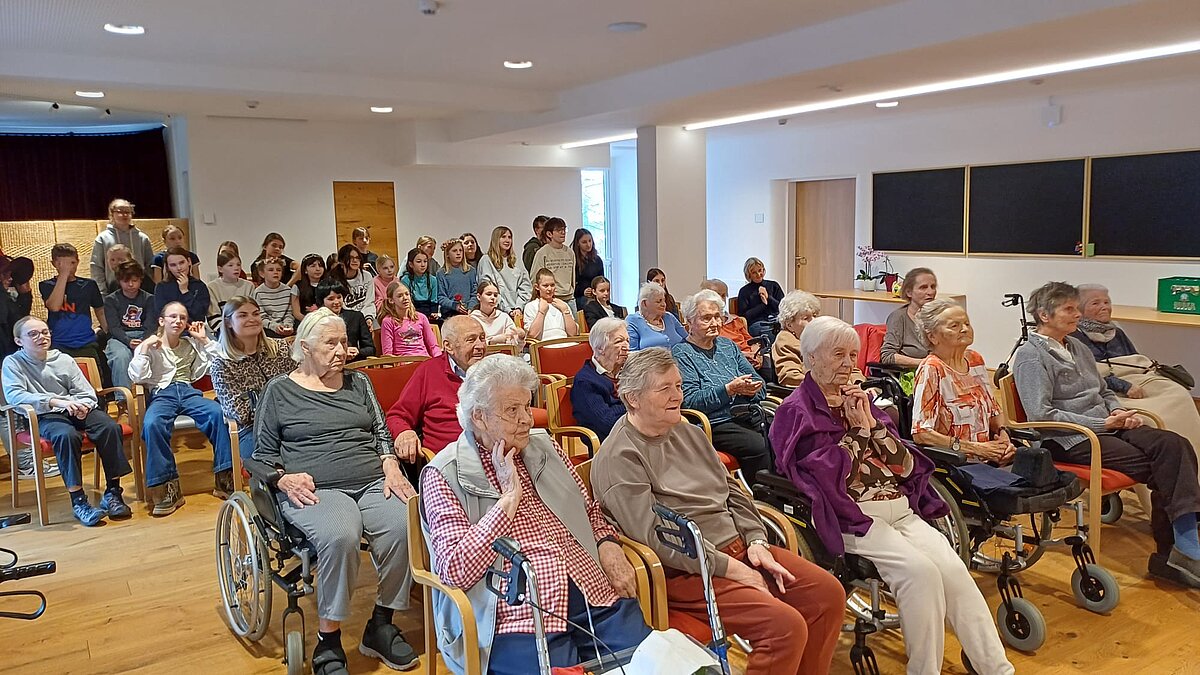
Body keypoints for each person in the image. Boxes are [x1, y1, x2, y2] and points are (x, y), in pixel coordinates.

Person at [770, 316, 1015, 675]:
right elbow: (831, 478)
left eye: (852, 355)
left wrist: (872, 426)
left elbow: (905, 466)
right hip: (853, 516)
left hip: (898, 508)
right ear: (810, 358)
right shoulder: (795, 412)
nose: (848, 364)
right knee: (920, 574)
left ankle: (996, 668)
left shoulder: (862, 403)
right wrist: (858, 434)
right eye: (838, 354)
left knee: (953, 570)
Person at [594, 347, 844, 674]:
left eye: (679, 385)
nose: (677, 395)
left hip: (738, 550)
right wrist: (732, 568)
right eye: (664, 388)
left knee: (828, 595)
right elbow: (658, 539)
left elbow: (733, 492)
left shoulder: (687, 430)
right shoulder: (620, 457)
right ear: (633, 398)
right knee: (784, 627)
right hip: (689, 569)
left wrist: (756, 541)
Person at [420, 355, 650, 675]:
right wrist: (507, 502)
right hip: (517, 614)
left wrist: (607, 544)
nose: (527, 419)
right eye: (512, 410)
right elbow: (454, 571)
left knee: (649, 663)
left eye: (527, 407)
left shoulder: (545, 447)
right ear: (479, 417)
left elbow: (589, 511)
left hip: (591, 590)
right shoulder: (444, 474)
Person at [253, 308, 418, 673]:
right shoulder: (279, 390)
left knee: (405, 524)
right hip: (317, 488)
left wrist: (390, 462)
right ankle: (328, 641)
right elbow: (261, 455)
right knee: (340, 534)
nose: (342, 350)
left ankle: (381, 623)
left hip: (371, 480)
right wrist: (283, 479)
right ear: (305, 347)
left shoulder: (359, 383)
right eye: (331, 343)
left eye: (344, 342)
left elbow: (380, 431)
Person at [1012, 282, 1200, 588]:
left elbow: (1103, 391)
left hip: (1105, 426)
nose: (1077, 314)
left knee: (1174, 445)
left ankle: (1180, 550)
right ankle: (1179, 551)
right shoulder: (1031, 356)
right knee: (1166, 466)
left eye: (1077, 308)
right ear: (1044, 315)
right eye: (1069, 309)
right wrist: (1104, 424)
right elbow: (1041, 416)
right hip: (1068, 439)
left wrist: (1118, 412)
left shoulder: (1077, 347)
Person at [2, 316, 133, 526]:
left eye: (44, 332)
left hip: (74, 407)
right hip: (43, 414)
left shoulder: (63, 359)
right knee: (66, 435)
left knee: (109, 427)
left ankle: (113, 492)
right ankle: (79, 501)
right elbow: (15, 396)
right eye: (33, 334)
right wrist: (55, 401)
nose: (41, 337)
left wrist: (83, 406)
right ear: (19, 341)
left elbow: (86, 392)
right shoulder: (13, 363)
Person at [128, 301, 233, 514]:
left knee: (218, 414)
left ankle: (225, 477)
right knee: (152, 423)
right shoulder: (149, 345)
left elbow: (223, 362)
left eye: (182, 318)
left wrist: (204, 339)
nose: (178, 321)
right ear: (161, 321)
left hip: (187, 391)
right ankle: (167, 488)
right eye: (173, 317)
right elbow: (137, 377)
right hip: (162, 393)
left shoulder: (191, 344)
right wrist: (145, 348)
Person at [1073, 283, 1200, 455]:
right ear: (1079, 309)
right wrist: (1123, 385)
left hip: (1136, 378)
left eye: (1107, 302)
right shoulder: (1073, 336)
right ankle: (1171, 454)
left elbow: (1136, 361)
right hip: (1107, 388)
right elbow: (1084, 375)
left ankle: (1194, 457)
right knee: (1159, 413)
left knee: (1178, 393)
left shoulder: (1116, 332)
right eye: (1095, 303)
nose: (1104, 307)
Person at [672, 290, 769, 480]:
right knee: (758, 444)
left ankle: (785, 491)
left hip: (747, 413)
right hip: (715, 422)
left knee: (784, 434)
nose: (715, 323)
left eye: (717, 317)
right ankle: (761, 492)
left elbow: (761, 385)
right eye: (706, 318)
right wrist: (729, 390)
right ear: (689, 322)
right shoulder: (681, 353)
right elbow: (690, 401)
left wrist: (750, 390)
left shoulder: (727, 345)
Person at [911, 299, 1016, 464]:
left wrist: (1004, 437)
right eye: (955, 326)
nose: (965, 329)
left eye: (967, 323)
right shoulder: (932, 369)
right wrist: (976, 449)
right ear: (932, 336)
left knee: (1039, 463)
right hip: (958, 462)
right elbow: (921, 433)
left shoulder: (975, 359)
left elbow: (994, 410)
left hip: (989, 457)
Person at [386, 315, 486, 459]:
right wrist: (404, 433)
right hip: (449, 460)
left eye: (482, 338)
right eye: (471, 340)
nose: (480, 346)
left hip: (495, 455)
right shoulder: (428, 371)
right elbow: (398, 415)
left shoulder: (494, 370)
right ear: (448, 346)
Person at [209, 296, 296, 460]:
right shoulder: (222, 364)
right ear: (228, 322)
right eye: (243, 315)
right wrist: (281, 404)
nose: (252, 319)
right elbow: (241, 414)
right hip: (253, 429)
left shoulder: (281, 348)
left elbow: (297, 387)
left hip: (291, 420)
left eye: (256, 314)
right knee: (272, 463)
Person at [40, 243, 107, 365]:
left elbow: (100, 310)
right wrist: (63, 274)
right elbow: (54, 307)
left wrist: (108, 333)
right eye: (62, 264)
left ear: (77, 262)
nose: (68, 267)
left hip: (85, 342)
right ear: (54, 264)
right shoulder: (47, 285)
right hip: (58, 343)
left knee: (92, 373)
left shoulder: (89, 285)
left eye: (71, 263)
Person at [570, 318, 629, 441]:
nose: (626, 347)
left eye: (627, 341)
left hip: (632, 434)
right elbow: (608, 422)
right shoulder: (585, 381)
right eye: (619, 341)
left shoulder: (629, 372)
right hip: (609, 443)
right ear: (600, 348)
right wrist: (631, 405)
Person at [103, 260, 153, 397]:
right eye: (126, 281)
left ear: (140, 280)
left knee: (156, 353)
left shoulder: (149, 299)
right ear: (119, 281)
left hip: (144, 335)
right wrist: (128, 341)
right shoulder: (111, 300)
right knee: (121, 356)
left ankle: (155, 395)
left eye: (134, 280)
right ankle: (123, 400)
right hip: (119, 337)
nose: (131, 284)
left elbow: (151, 325)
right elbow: (113, 327)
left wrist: (144, 341)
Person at [89, 198, 155, 292]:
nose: (124, 215)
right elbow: (97, 267)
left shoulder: (142, 238)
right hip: (113, 290)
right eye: (120, 211)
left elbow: (149, 265)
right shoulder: (102, 238)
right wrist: (102, 291)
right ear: (112, 214)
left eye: (127, 212)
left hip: (141, 290)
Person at [881, 267, 938, 369]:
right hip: (911, 373)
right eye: (923, 287)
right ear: (909, 292)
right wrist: (924, 363)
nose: (930, 292)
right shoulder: (898, 317)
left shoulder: (940, 316)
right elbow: (887, 356)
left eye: (933, 287)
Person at [701, 278, 761, 368]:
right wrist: (744, 356)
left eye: (723, 295)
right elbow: (715, 352)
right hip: (731, 363)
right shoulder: (705, 325)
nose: (721, 299)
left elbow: (751, 341)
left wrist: (757, 354)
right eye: (716, 295)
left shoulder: (736, 320)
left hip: (751, 359)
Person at [476, 226, 531, 319]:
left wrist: (519, 307)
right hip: (497, 311)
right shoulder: (486, 260)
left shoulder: (516, 260)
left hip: (518, 311)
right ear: (496, 239)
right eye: (503, 237)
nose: (507, 240)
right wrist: (507, 310)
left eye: (509, 237)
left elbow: (525, 286)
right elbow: (487, 288)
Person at [314, 278, 374, 362]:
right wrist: (342, 351)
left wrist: (357, 351)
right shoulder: (316, 320)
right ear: (322, 301)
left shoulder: (356, 316)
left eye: (339, 297)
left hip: (353, 364)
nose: (336, 302)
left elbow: (370, 349)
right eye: (331, 299)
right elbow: (315, 350)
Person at [772, 290, 823, 387]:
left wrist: (854, 383)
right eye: (806, 318)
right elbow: (790, 377)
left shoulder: (820, 336)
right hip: (813, 391)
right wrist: (825, 384)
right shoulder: (785, 340)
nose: (813, 321)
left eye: (815, 316)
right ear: (789, 325)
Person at [150, 247, 211, 328]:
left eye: (182, 263)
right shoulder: (162, 287)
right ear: (168, 267)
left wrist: (185, 291)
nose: (179, 268)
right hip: (170, 329)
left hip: (193, 329)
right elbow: (161, 314)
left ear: (189, 262)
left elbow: (200, 315)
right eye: (173, 265)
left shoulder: (200, 286)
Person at [378, 281, 441, 357]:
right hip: (403, 361)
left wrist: (438, 358)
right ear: (391, 300)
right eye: (400, 296)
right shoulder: (388, 322)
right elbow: (388, 354)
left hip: (423, 359)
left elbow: (433, 346)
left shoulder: (421, 317)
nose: (405, 298)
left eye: (407, 294)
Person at [530, 217, 576, 309]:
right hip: (551, 298)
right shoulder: (542, 253)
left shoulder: (569, 252)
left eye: (564, 229)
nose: (563, 232)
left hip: (569, 298)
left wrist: (571, 290)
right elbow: (535, 277)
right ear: (549, 234)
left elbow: (573, 277)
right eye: (558, 230)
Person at [627, 282, 686, 351]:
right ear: (644, 303)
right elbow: (632, 353)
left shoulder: (669, 317)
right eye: (659, 301)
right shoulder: (633, 320)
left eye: (664, 301)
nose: (663, 304)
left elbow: (686, 338)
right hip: (651, 358)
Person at [523, 269, 578, 341]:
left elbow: (573, 334)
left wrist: (565, 311)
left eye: (552, 285)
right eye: (545, 286)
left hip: (565, 343)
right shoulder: (531, 306)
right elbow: (532, 335)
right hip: (544, 344)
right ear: (537, 287)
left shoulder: (563, 305)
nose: (549, 289)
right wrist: (541, 312)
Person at [736, 257, 784, 338]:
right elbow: (744, 316)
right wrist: (763, 305)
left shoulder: (774, 285)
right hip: (757, 323)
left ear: (763, 270)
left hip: (776, 321)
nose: (758, 274)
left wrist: (768, 297)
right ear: (749, 275)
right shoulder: (744, 291)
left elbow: (782, 307)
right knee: (774, 335)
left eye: (760, 270)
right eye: (754, 273)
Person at [333, 244, 377, 330]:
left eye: (357, 258)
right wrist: (357, 320)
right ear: (341, 261)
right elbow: (339, 306)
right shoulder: (334, 280)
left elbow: (369, 302)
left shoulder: (367, 276)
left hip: (364, 317)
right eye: (351, 258)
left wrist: (368, 318)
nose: (355, 260)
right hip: (344, 321)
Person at [469, 279, 524, 346]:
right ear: (479, 297)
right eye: (489, 294)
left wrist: (520, 338)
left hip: (504, 352)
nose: (493, 298)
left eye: (495, 295)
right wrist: (491, 342)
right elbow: (471, 344)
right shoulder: (472, 319)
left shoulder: (504, 317)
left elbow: (516, 345)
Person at [251, 257, 296, 338]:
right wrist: (274, 326)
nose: (275, 272)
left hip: (285, 325)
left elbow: (289, 313)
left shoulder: (288, 290)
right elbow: (261, 316)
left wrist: (288, 325)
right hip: (268, 327)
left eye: (278, 270)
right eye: (271, 270)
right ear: (262, 274)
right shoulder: (258, 292)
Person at [206, 251, 254, 324]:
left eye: (238, 265)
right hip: (223, 327)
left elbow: (253, 312)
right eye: (230, 265)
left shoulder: (248, 286)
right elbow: (213, 317)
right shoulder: (212, 287)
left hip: (246, 325)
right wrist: (230, 328)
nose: (236, 268)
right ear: (220, 269)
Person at [437, 239, 478, 317]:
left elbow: (474, 293)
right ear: (447, 254)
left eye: (460, 250)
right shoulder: (441, 273)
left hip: (468, 312)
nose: (458, 253)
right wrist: (454, 306)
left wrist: (471, 307)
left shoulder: (471, 271)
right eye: (454, 251)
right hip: (449, 313)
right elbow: (441, 296)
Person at [401, 247, 441, 324]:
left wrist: (434, 313)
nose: (423, 265)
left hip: (429, 311)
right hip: (413, 311)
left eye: (425, 261)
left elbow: (434, 300)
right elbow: (407, 302)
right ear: (411, 264)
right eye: (419, 262)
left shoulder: (432, 279)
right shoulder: (405, 280)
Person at [290, 253, 327, 323]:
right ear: (305, 270)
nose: (318, 269)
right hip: (304, 321)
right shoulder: (297, 286)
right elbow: (296, 313)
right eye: (313, 266)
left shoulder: (329, 285)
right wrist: (310, 322)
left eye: (320, 266)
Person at [571, 228, 603, 308]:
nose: (588, 245)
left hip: (595, 294)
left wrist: (595, 291)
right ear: (578, 243)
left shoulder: (597, 260)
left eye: (590, 241)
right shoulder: (573, 260)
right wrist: (583, 291)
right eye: (584, 242)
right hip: (579, 296)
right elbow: (571, 284)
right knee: (589, 304)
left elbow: (601, 280)